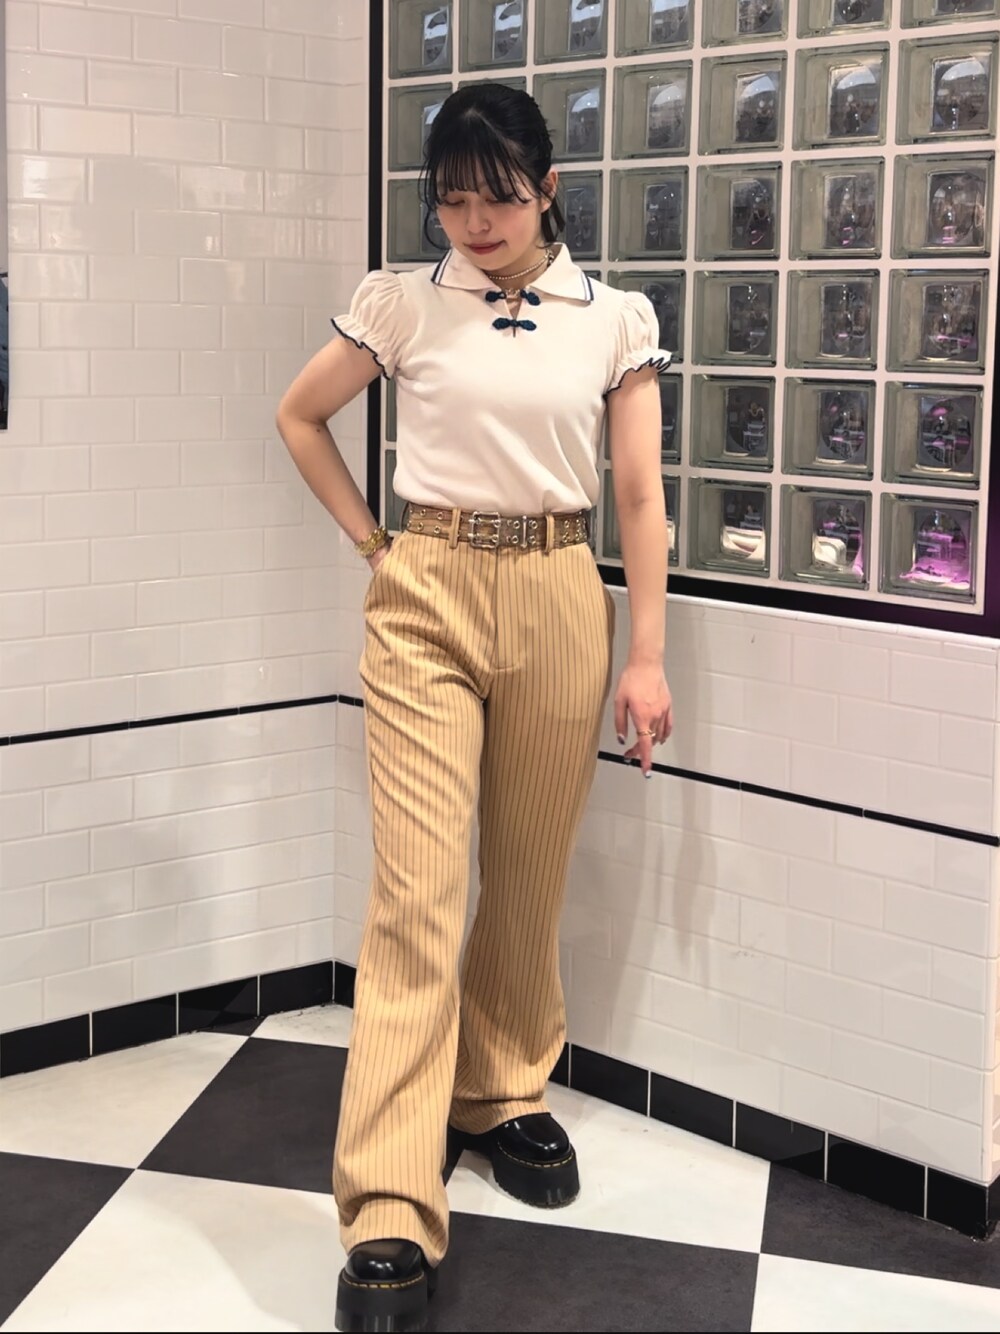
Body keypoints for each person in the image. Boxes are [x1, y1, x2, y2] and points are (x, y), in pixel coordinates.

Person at [276, 82, 674, 1334]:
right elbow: (300, 414)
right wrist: (374, 546)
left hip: (559, 588)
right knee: (417, 893)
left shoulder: (613, 318)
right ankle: (388, 1201)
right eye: (452, 200)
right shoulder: (403, 299)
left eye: (497, 196)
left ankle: (500, 1090)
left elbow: (639, 495)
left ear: (546, 188)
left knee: (530, 870)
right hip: (428, 592)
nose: (474, 222)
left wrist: (647, 656)